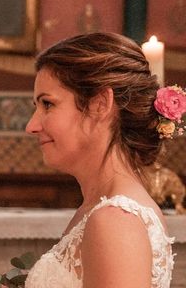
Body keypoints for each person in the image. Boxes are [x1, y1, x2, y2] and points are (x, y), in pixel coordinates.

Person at [24, 32, 175, 287]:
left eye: (48, 104)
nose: (32, 125)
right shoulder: (98, 211)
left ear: (100, 104)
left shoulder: (115, 221)